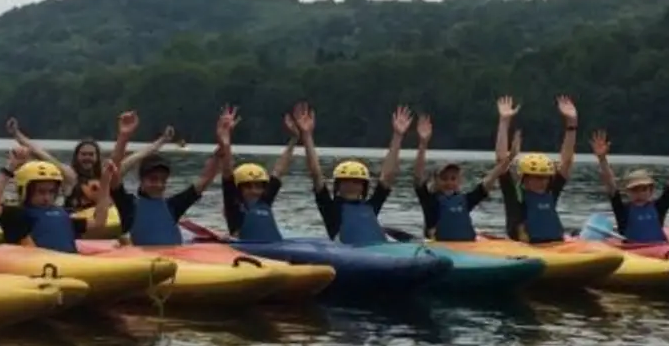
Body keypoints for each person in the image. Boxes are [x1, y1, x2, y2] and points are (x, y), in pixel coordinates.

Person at [96, 108, 231, 246]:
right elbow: (112, 173)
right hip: (141, 257)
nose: (159, 184)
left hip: (171, 257)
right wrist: (124, 136)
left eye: (163, 180)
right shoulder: (128, 205)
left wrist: (223, 144)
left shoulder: (173, 206)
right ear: (141, 180)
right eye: (153, 179)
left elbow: (204, 180)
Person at [306, 105, 410, 245]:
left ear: (364, 186)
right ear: (338, 185)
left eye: (357, 181)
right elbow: (316, 174)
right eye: (346, 181)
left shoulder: (371, 206)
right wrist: (306, 135)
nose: (352, 185)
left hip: (374, 251)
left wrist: (398, 136)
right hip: (345, 253)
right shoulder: (330, 208)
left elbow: (387, 176)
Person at [412, 104, 515, 242]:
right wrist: (423, 143)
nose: (449, 182)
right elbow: (418, 176)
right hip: (439, 247)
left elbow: (490, 179)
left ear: (459, 180)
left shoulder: (465, 200)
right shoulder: (430, 200)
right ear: (436, 180)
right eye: (444, 178)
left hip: (467, 247)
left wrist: (510, 158)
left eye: (453, 178)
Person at [500, 96, 580, 244]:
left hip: (555, 246)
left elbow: (566, 162)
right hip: (524, 249)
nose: (543, 182)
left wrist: (571, 124)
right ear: (525, 179)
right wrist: (504, 122)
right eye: (537, 177)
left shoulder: (550, 192)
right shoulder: (515, 197)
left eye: (545, 177)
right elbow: (500, 161)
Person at [220, 104, 304, 242]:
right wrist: (225, 139)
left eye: (259, 186)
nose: (255, 191)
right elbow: (227, 170)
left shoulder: (265, 201)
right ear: (238, 189)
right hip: (245, 250)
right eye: (248, 187)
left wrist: (295, 138)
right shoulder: (233, 205)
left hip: (274, 249)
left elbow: (279, 170)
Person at [0, 146, 90, 253]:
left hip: (68, 259)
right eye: (41, 192)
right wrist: (9, 170)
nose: (46, 198)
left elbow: (97, 225)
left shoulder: (64, 213)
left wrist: (100, 190)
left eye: (51, 192)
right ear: (25, 190)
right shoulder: (16, 214)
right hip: (36, 259)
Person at [590, 130, 669, 243]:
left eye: (643, 189)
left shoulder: (658, 207)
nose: (639, 194)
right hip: (632, 251)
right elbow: (610, 184)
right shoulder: (623, 210)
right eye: (635, 190)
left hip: (659, 249)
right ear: (628, 192)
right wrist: (602, 159)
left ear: (651, 191)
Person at [6, 118, 103, 217]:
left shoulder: (104, 176)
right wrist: (16, 134)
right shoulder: (70, 175)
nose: (87, 158)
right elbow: (41, 154)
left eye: (91, 154)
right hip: (76, 219)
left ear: (97, 157)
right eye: (83, 154)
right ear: (77, 156)